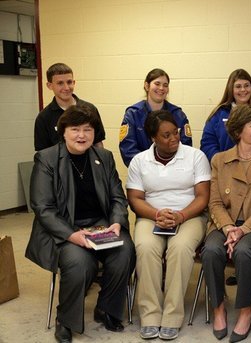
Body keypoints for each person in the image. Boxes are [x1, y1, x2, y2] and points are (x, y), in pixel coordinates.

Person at [25, 105, 136, 343]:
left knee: (125, 251)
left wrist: (116, 223)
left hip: (100, 225)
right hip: (65, 227)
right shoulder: (46, 159)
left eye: (88, 129)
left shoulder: (104, 158)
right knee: (80, 262)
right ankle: (65, 320)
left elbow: (118, 197)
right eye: (75, 129)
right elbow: (42, 208)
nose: (82, 135)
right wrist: (72, 235)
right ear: (63, 132)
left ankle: (106, 309)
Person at [201, 105, 251, 342]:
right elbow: (214, 202)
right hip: (225, 223)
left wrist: (243, 230)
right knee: (211, 251)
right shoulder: (219, 160)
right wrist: (228, 228)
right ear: (238, 131)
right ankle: (218, 307)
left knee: (245, 251)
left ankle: (245, 310)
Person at [126, 110, 210, 340]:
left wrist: (181, 216)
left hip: (190, 216)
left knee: (180, 248)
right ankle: (151, 315)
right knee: (145, 248)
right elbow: (134, 198)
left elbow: (203, 197)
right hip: (151, 215)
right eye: (166, 135)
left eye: (175, 132)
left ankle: (172, 316)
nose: (174, 138)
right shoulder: (139, 161)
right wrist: (156, 214)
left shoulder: (195, 156)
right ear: (153, 138)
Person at [200, 68, 251, 161]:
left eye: (246, 85)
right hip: (225, 169)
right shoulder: (219, 114)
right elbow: (208, 143)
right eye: (238, 86)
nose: (243, 90)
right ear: (231, 89)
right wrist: (220, 161)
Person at [119, 68, 192, 167]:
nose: (161, 88)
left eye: (165, 85)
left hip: (174, 172)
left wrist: (168, 168)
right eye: (157, 84)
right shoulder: (133, 114)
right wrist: (151, 170)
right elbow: (128, 150)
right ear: (147, 86)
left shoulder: (178, 115)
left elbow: (186, 147)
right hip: (143, 173)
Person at [34, 63, 106, 151]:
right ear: (50, 86)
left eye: (69, 82)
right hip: (58, 164)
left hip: (88, 163)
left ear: (74, 82)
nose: (66, 87)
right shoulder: (44, 117)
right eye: (60, 83)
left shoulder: (90, 109)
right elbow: (42, 153)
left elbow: (98, 143)